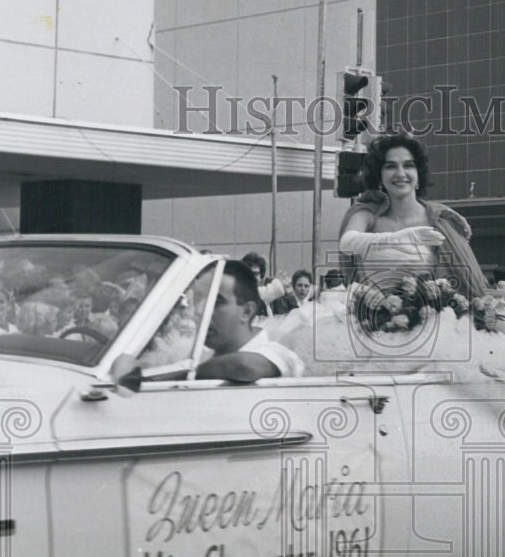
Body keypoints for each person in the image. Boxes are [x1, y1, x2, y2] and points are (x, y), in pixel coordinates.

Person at [338, 133, 487, 300]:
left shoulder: (439, 221)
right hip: (372, 320)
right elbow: (347, 243)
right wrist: (401, 237)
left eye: (408, 165)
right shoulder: (367, 215)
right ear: (379, 175)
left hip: (434, 321)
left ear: (418, 175)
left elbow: (464, 287)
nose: (400, 173)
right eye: (390, 166)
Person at [195, 261, 304, 381]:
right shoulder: (202, 353)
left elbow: (245, 366)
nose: (200, 311)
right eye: (198, 300)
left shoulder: (278, 354)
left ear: (247, 312)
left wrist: (188, 374)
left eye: (216, 303)